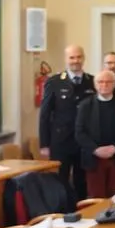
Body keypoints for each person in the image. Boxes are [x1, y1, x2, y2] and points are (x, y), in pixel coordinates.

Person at [39, 44, 95, 200]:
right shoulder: (55, 82)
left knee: (81, 181)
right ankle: (63, 214)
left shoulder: (92, 81)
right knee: (60, 181)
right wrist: (44, 144)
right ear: (66, 59)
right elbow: (45, 114)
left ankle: (82, 212)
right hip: (61, 141)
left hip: (84, 142)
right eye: (72, 57)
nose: (75, 61)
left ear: (83, 58)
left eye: (78, 57)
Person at [74, 70, 115, 198]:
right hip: (94, 160)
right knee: (96, 197)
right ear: (95, 84)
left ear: (114, 84)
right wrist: (95, 149)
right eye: (100, 82)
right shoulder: (85, 105)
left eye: (108, 82)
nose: (104, 85)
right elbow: (80, 133)